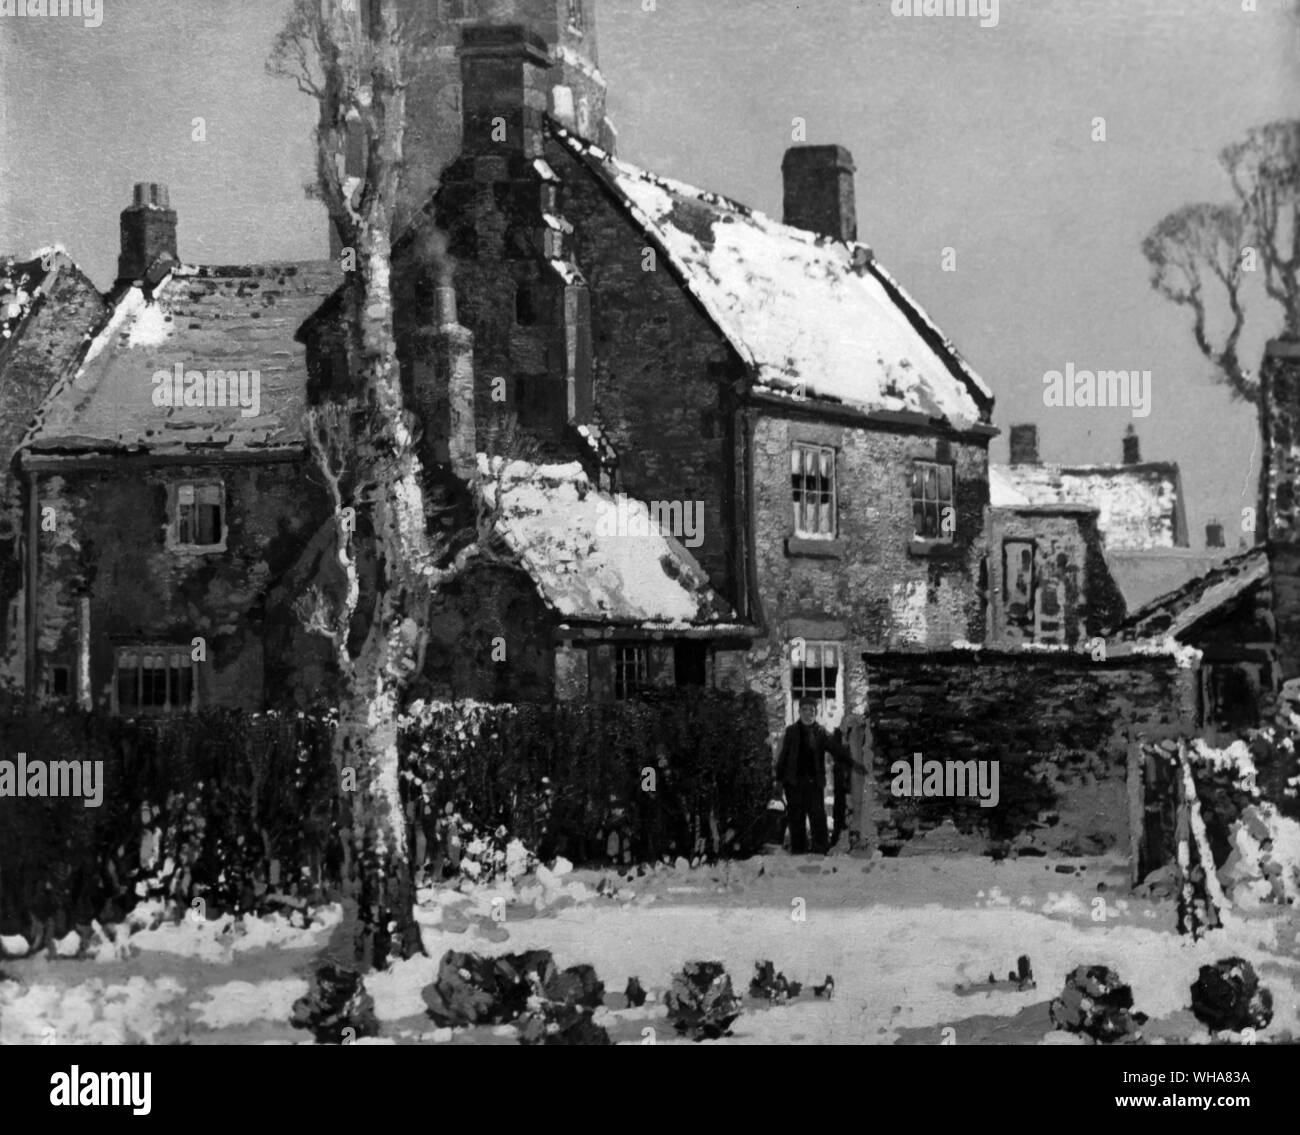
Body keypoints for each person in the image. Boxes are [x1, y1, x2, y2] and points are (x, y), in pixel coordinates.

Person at [775, 697, 844, 855]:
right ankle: (799, 850)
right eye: (804, 710)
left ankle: (820, 849)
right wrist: (779, 782)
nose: (808, 713)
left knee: (817, 817)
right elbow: (783, 758)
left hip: (814, 783)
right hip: (794, 783)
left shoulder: (820, 732)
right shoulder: (791, 731)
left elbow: (835, 750)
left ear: (816, 713)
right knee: (796, 818)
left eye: (811, 710)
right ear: (799, 712)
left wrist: (851, 761)